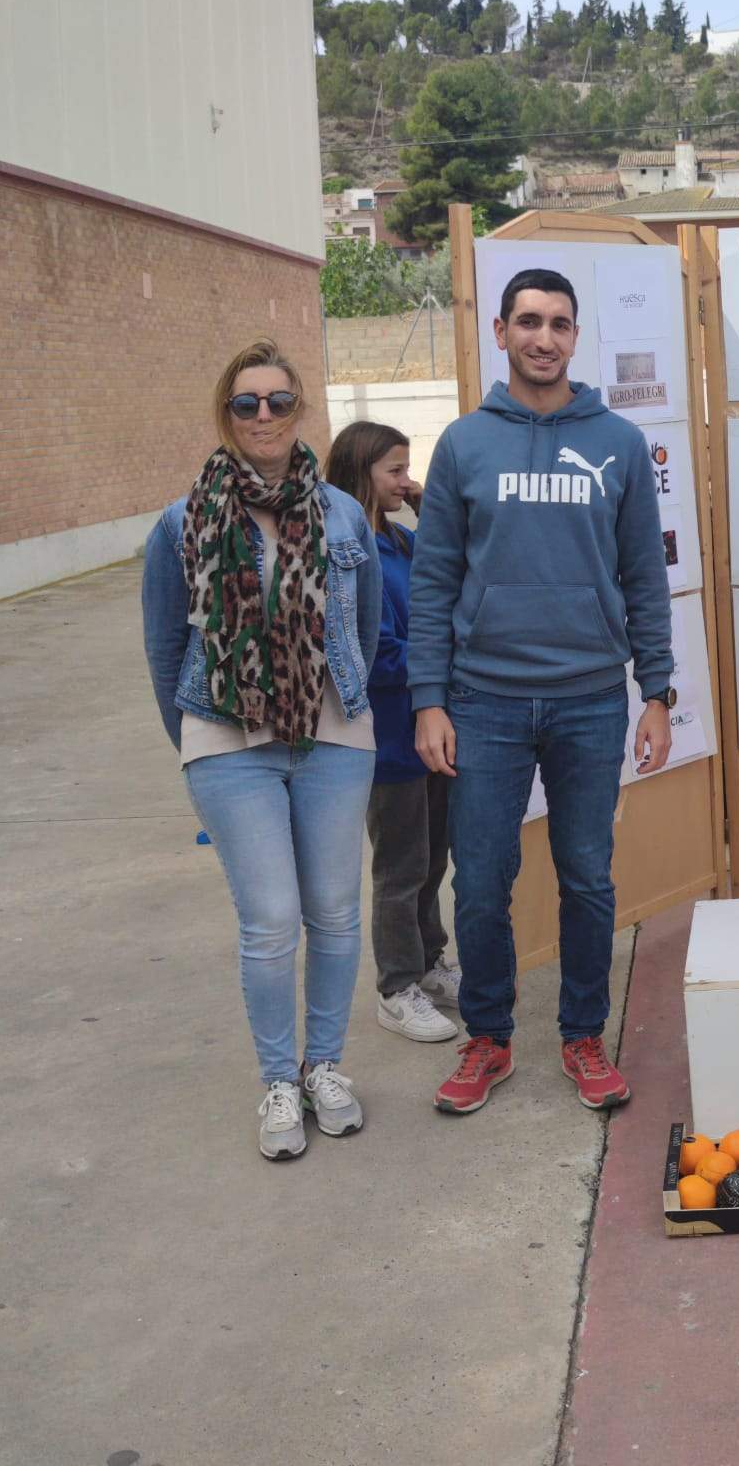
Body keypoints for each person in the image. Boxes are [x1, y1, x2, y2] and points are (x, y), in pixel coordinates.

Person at [408, 268, 672, 1115]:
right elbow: (435, 581)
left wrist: (657, 691)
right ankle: (489, 1038)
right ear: (501, 330)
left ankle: (583, 1036)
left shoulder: (620, 446)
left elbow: (644, 578)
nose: (544, 338)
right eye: (529, 321)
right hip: (482, 700)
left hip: (591, 700)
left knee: (587, 878)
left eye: (560, 324)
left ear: (575, 336)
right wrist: (429, 698)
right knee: (481, 880)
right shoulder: (464, 446)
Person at [141, 339, 379, 1160]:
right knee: (272, 922)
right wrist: (201, 744)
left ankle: (325, 1067)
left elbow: (365, 627)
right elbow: (164, 646)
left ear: (299, 409)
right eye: (248, 403)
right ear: (227, 414)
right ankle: (279, 1079)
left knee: (338, 915)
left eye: (278, 400)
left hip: (334, 737)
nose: (265, 416)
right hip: (228, 743)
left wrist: (333, 705)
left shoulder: (343, 514)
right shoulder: (182, 520)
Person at [325, 421, 461, 1045]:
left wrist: (426, 502)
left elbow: (446, 567)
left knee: (434, 861)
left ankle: (431, 960)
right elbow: (369, 655)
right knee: (401, 868)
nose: (406, 482)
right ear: (361, 475)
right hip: (388, 738)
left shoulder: (401, 544)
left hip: (431, 728)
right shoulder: (348, 556)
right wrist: (440, 658)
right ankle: (396, 986)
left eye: (409, 470)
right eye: (396, 472)